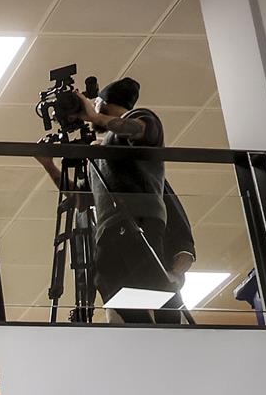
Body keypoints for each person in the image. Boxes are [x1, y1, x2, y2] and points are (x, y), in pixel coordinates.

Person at [39, 76, 190, 324]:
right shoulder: (98, 154)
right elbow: (80, 201)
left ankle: (170, 328)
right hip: (109, 230)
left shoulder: (140, 118)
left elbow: (139, 129)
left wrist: (96, 117)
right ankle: (139, 331)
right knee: (110, 287)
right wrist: (49, 165)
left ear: (102, 103)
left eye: (95, 105)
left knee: (150, 285)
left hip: (138, 220)